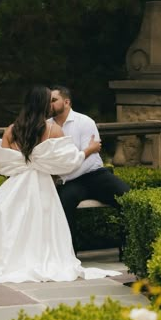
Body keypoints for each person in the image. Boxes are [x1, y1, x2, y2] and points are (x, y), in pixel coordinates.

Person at [0, 85, 120, 284]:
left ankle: (7, 259)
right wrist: (89, 149)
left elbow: (0, 163)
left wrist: (23, 165)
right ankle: (40, 257)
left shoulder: (11, 130)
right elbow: (68, 162)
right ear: (43, 105)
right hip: (41, 183)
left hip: (17, 183)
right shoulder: (52, 130)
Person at [49, 85, 130, 248]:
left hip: (94, 175)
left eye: (53, 100)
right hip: (71, 183)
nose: (48, 104)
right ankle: (70, 255)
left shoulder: (85, 122)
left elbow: (90, 158)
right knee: (64, 203)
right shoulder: (47, 126)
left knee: (128, 197)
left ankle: (128, 246)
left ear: (66, 102)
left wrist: (64, 176)